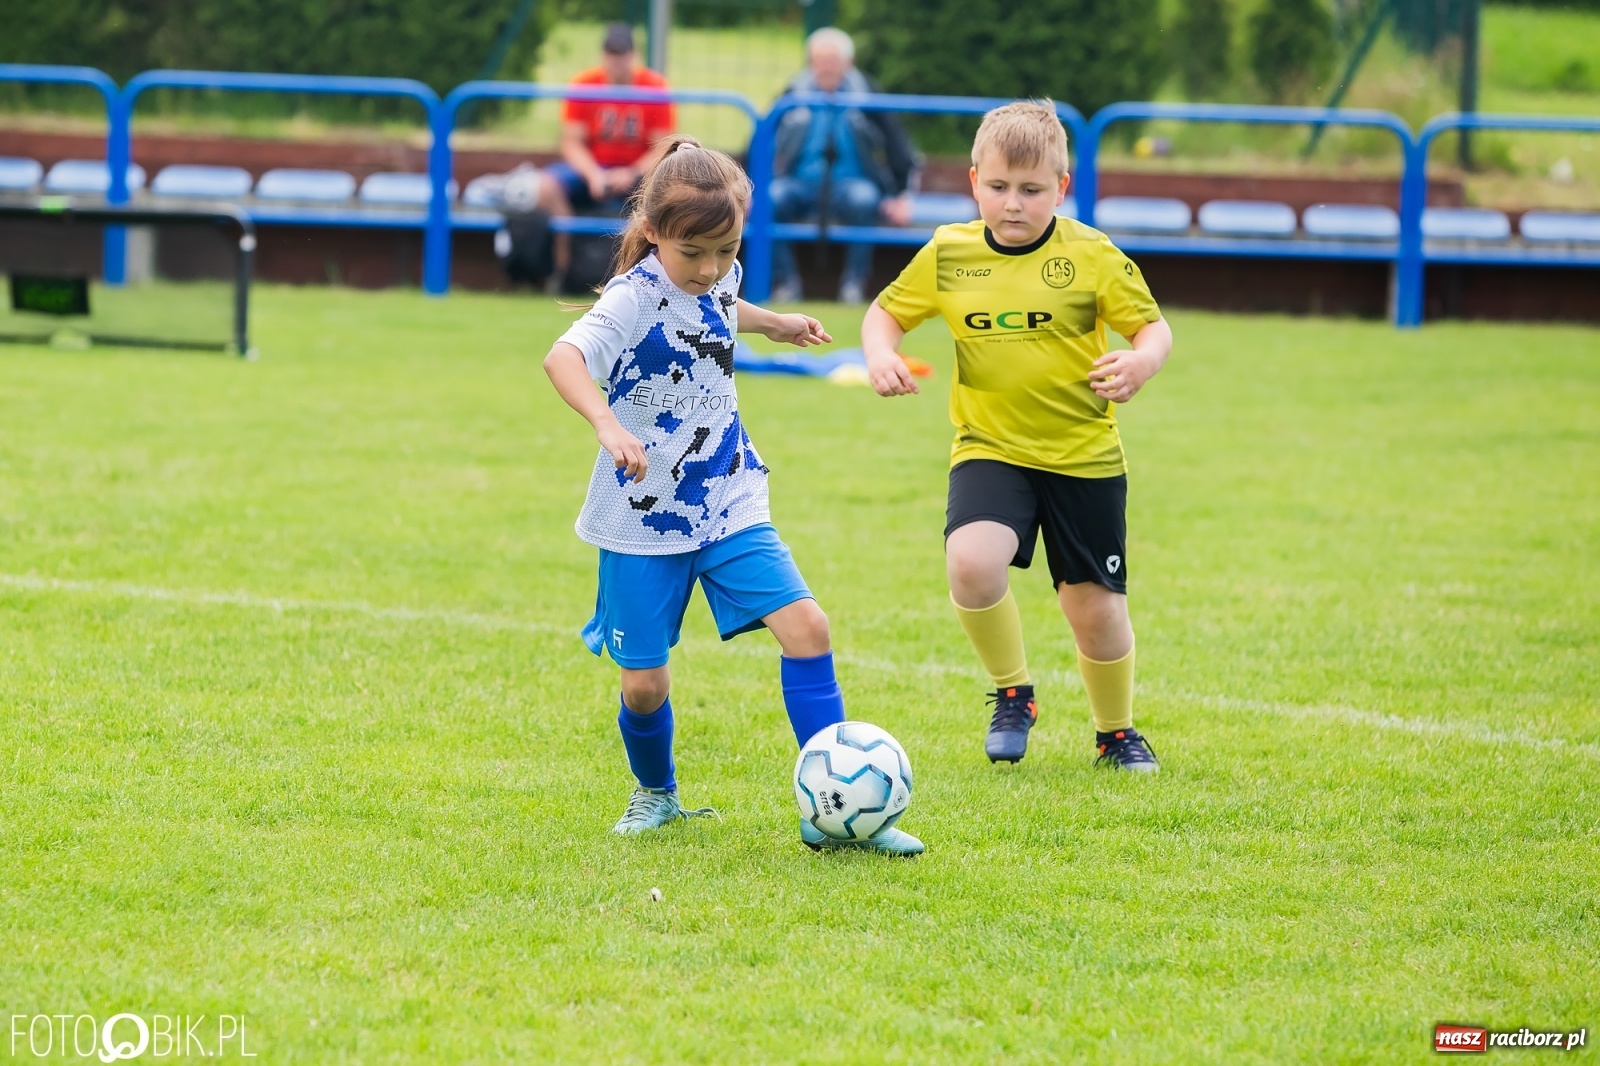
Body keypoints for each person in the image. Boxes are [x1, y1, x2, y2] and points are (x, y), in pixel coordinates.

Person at [542, 135, 925, 855]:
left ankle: (834, 807)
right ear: (654, 232)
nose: (712, 268)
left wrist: (774, 322)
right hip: (643, 514)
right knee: (644, 686)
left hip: (726, 496)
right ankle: (655, 794)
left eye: (727, 250)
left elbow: (720, 300)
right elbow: (561, 357)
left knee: (808, 627)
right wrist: (605, 424)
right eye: (695, 254)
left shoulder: (712, 271)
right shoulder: (629, 299)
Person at [860, 101, 1174, 772]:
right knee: (971, 563)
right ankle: (1013, 692)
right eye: (998, 187)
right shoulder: (949, 252)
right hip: (989, 445)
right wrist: (881, 354)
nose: (1012, 204)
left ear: (1060, 190)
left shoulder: (1090, 255)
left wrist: (1142, 361)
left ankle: (1115, 733)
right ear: (974, 182)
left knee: (1095, 613)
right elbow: (884, 315)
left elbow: (1153, 329)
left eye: (1031, 190)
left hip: (1082, 457)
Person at [767, 27, 917, 305]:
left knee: (865, 199)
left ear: (848, 63)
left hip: (852, 184)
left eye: (833, 61)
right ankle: (786, 283)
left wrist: (900, 195)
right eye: (819, 60)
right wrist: (747, 187)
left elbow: (897, 144)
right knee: (771, 198)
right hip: (799, 183)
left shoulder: (867, 94)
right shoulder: (793, 93)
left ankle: (854, 284)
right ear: (810, 63)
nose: (826, 68)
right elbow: (761, 139)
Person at [538, 22, 676, 279]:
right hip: (595, 166)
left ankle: (653, 274)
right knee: (546, 187)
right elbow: (571, 142)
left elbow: (663, 147)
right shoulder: (584, 85)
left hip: (640, 170)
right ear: (603, 55)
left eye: (622, 54)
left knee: (670, 196)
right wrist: (593, 174)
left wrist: (631, 172)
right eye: (612, 53)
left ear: (633, 55)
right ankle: (564, 266)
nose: (617, 61)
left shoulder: (655, 87)